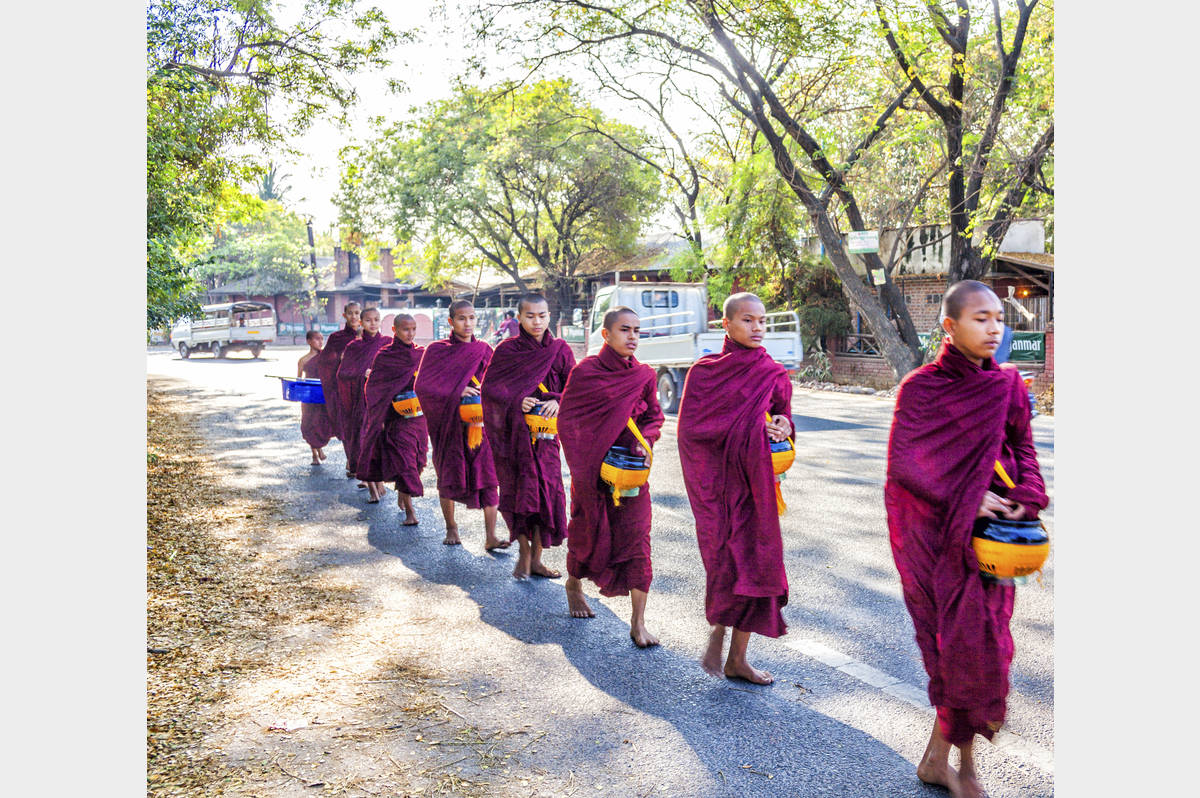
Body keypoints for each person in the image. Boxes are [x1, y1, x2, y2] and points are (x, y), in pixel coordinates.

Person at [885, 279, 1048, 798]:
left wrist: (1027, 492)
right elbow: (907, 464)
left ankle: (942, 761)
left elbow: (1024, 448)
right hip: (936, 542)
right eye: (981, 318)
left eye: (999, 317)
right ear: (950, 327)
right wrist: (968, 493)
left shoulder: (1008, 386)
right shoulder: (920, 387)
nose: (994, 328)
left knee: (981, 649)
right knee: (952, 650)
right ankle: (962, 764)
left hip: (990, 544)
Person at [677, 292, 794, 685]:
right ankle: (718, 628)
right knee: (724, 561)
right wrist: (747, 429)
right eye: (748, 321)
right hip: (716, 487)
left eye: (762, 321)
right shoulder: (705, 371)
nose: (757, 328)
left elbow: (782, 416)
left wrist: (781, 424)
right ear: (725, 325)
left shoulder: (772, 372)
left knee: (758, 564)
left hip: (755, 488)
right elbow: (692, 431)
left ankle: (738, 658)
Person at [558, 306, 664, 647]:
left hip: (631, 474)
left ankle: (638, 622)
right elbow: (569, 421)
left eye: (636, 330)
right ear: (606, 334)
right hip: (593, 474)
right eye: (624, 330)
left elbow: (654, 417)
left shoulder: (644, 375)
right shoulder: (586, 372)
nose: (632, 336)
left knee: (637, 539)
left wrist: (644, 438)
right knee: (588, 530)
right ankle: (573, 584)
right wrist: (589, 458)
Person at [481, 293, 577, 580]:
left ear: (550, 317)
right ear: (519, 318)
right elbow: (491, 391)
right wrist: (515, 400)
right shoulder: (507, 351)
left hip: (547, 438)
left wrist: (559, 400)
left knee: (546, 496)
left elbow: (576, 388)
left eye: (542, 315)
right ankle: (523, 552)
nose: (537, 321)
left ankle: (537, 559)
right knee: (520, 494)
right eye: (530, 316)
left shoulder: (560, 350)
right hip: (515, 440)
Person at [413, 301, 508, 549]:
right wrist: (457, 390)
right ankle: (451, 527)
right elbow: (422, 386)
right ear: (451, 322)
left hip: (480, 424)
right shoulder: (436, 350)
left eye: (472, 318)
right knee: (449, 473)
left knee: (489, 477)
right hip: (450, 425)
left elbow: (498, 384)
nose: (468, 324)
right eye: (462, 319)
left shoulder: (485, 350)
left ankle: (491, 536)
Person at [357, 314, 429, 520]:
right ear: (395, 330)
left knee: (419, 461)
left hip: (418, 418)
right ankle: (410, 511)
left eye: (414, 329)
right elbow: (373, 387)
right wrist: (378, 415)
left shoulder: (421, 354)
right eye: (406, 329)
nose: (411, 334)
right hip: (395, 419)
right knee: (405, 462)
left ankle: (403, 493)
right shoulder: (385, 355)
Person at [336, 307, 390, 496]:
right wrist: (363, 373)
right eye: (368, 320)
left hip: (383, 401)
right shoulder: (354, 347)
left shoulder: (388, 343)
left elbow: (400, 368)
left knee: (382, 440)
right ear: (361, 322)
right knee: (365, 439)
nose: (373, 323)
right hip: (362, 402)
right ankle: (371, 482)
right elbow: (342, 373)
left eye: (376, 320)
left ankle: (378, 478)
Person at [316, 302, 363, 477]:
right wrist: (340, 359)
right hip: (341, 389)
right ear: (344, 316)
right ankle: (352, 460)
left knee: (362, 426)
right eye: (350, 313)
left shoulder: (368, 336)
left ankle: (360, 462)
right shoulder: (337, 338)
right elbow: (324, 361)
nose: (354, 317)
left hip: (362, 387)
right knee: (347, 426)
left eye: (357, 313)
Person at [296, 330, 333, 465]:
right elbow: (299, 379)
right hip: (309, 396)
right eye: (317, 339)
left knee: (321, 422)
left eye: (322, 339)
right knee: (309, 424)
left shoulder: (326, 357)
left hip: (323, 395)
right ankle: (315, 454)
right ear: (309, 341)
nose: (320, 342)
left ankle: (319, 448)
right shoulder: (303, 360)